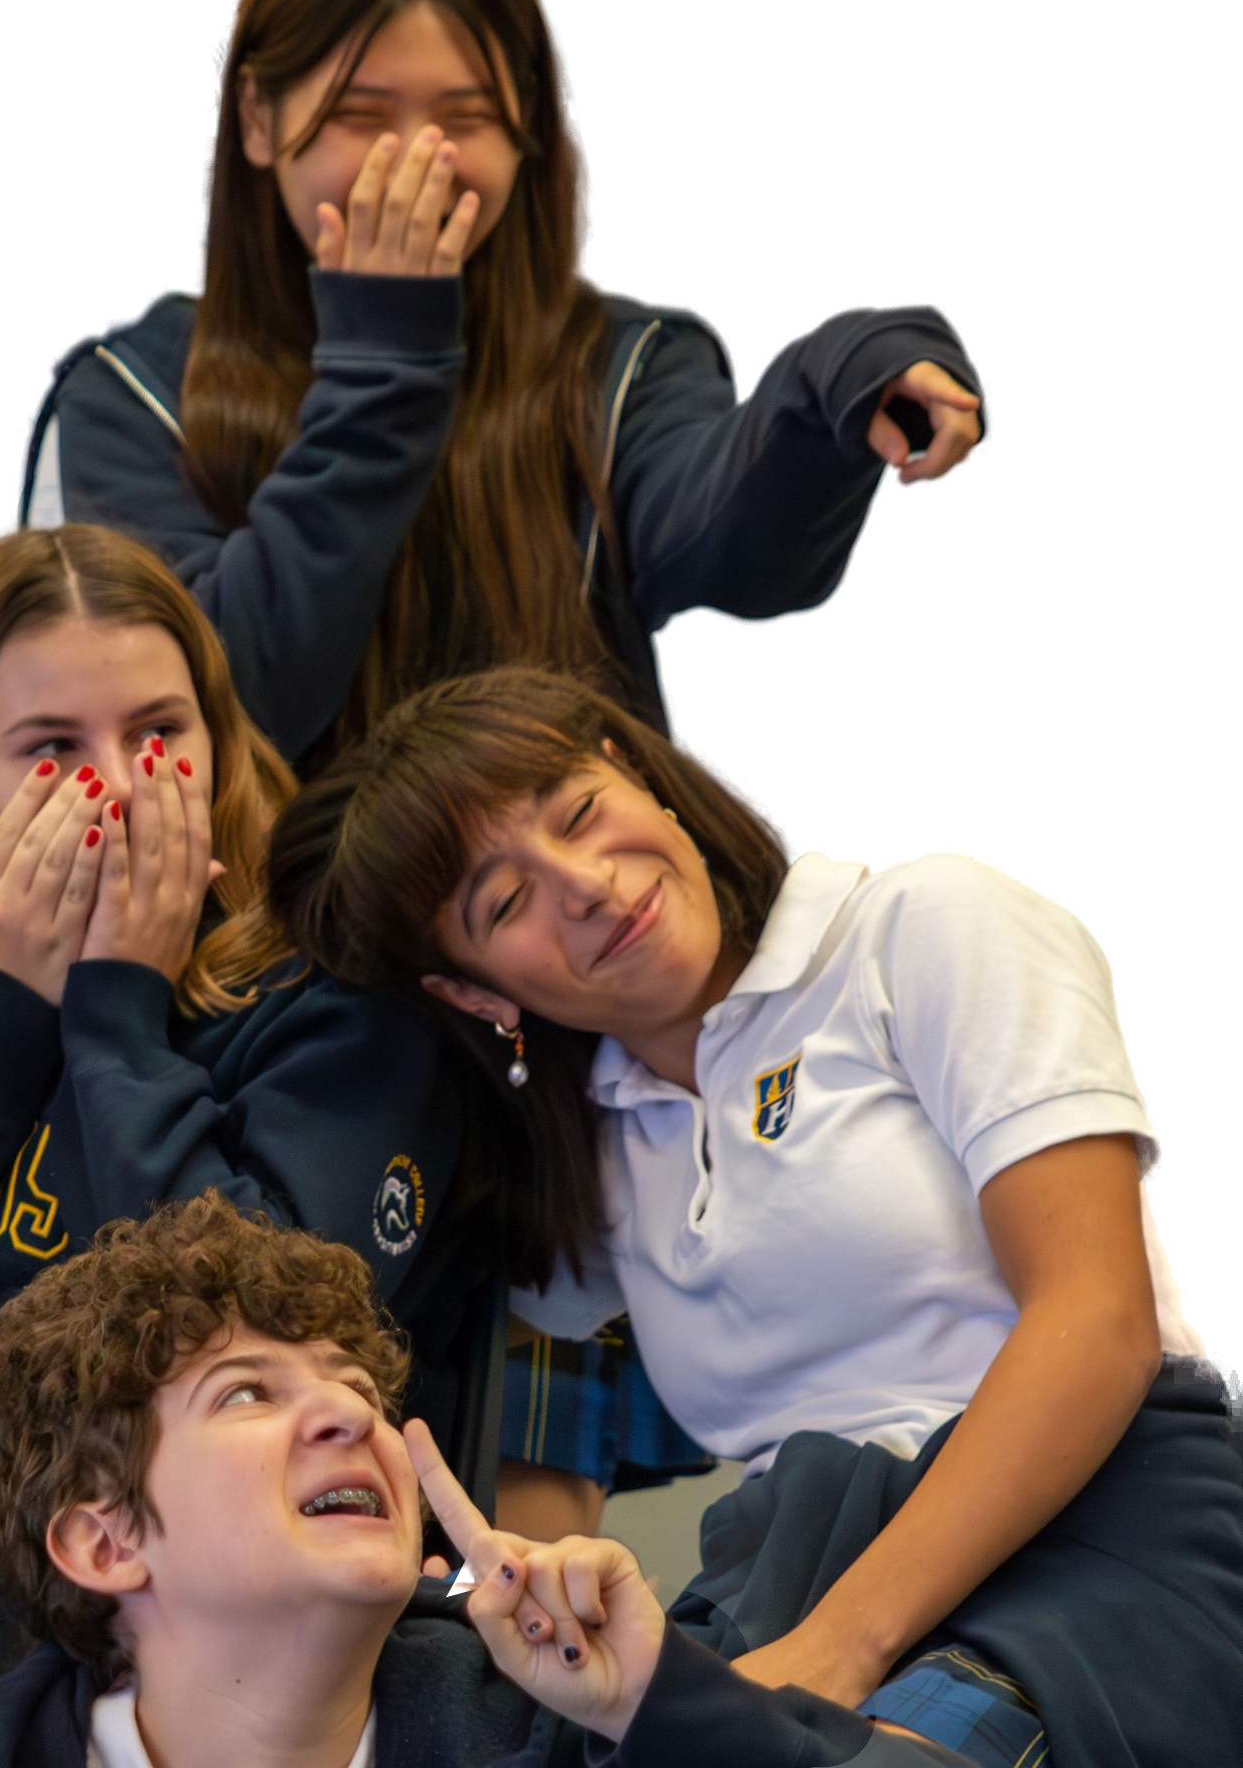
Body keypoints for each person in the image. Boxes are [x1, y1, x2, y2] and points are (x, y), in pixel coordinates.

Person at [264, 663, 1243, 1767]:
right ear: (473, 992)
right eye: (504, 903)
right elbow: (458, 1352)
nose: (584, 882)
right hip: (793, 1567)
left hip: (1098, 1526)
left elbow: (1099, 1321)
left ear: (636, 773)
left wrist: (838, 1647)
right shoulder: (595, 1152)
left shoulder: (919, 925)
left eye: (578, 812)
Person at [0, 523, 492, 1768]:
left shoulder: (335, 1005)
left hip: (82, 1627)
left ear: (220, 745)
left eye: (160, 733)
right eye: (52, 749)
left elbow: (273, 1328)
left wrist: (115, 1010)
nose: (116, 785)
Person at [17, 0, 992, 781]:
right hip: (272, 911)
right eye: (360, 114)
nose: (417, 160)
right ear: (260, 120)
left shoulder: (620, 361)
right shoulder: (132, 394)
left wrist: (837, 381)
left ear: (524, 128)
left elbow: (745, 562)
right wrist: (384, 367)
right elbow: (211, 717)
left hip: (571, 892)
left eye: (465, 115)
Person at [0, 1189, 974, 1766]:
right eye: (246, 1393)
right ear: (104, 1543)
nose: (352, 1415)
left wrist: (652, 1702)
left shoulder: (554, 1729)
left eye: (356, 1387)